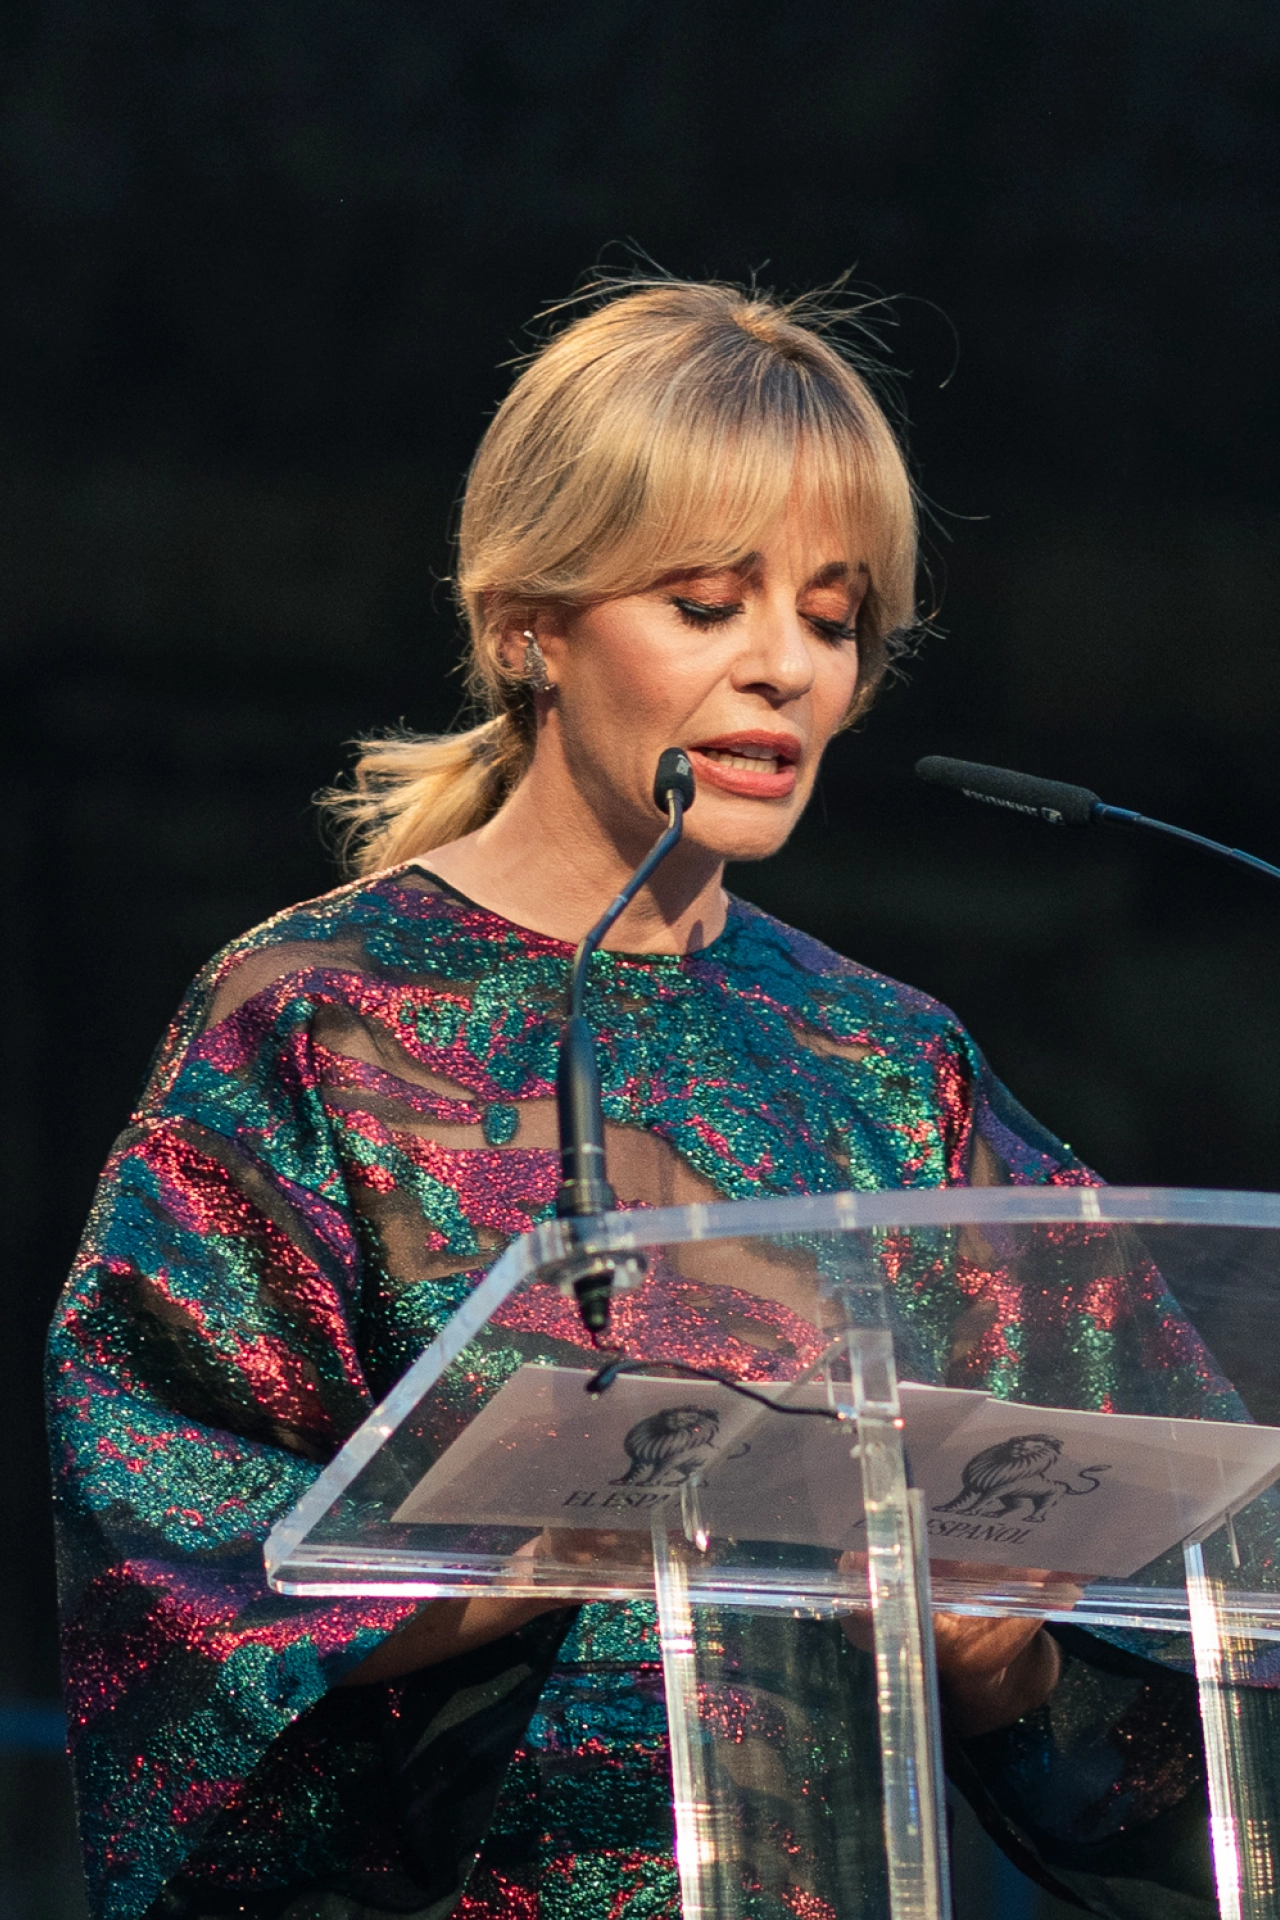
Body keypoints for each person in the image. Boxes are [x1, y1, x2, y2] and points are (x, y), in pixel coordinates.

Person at [48, 279, 1220, 1920]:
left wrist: (1005, 1663)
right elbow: (165, 1521)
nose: (784, 672)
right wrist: (484, 1574)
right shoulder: (317, 1018)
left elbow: (1174, 1547)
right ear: (529, 620)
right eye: (706, 602)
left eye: (832, 617)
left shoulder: (892, 1062)